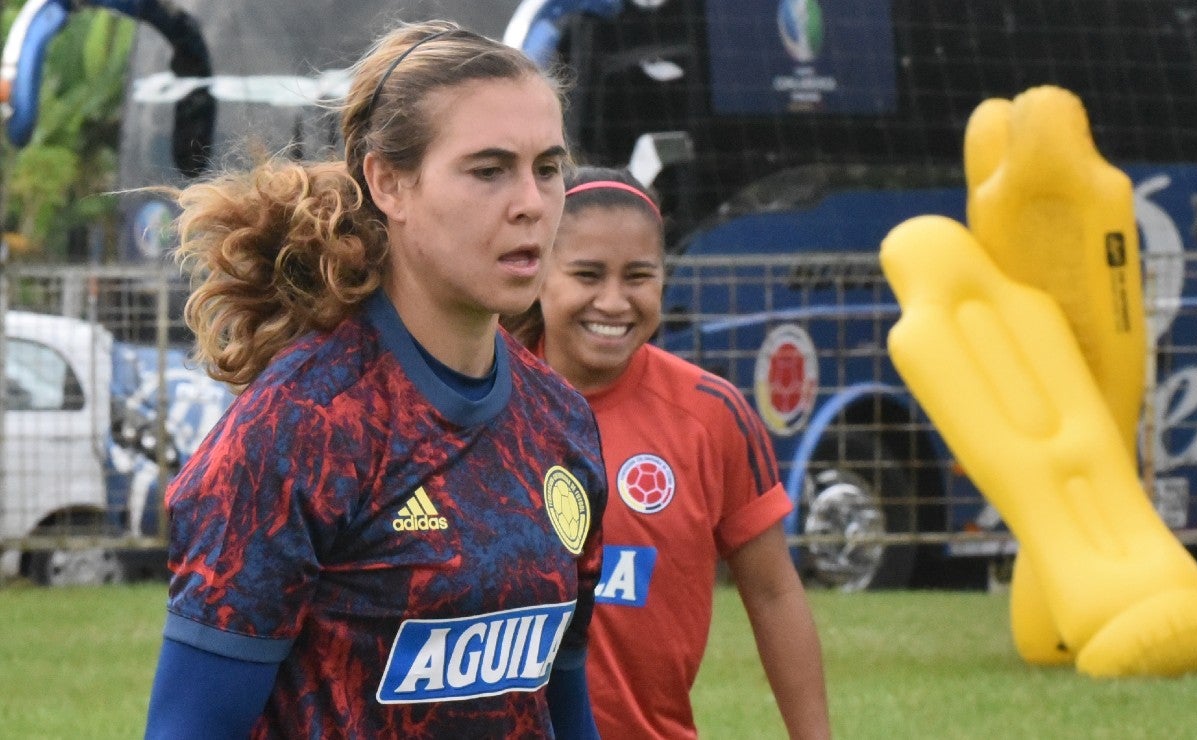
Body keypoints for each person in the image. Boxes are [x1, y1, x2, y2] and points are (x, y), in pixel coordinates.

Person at [143, 20, 607, 739]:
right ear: (388, 181)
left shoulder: (563, 422)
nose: (532, 203)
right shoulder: (300, 428)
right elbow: (188, 728)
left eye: (548, 168)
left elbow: (564, 707)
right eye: (489, 170)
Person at [503, 167, 831, 739]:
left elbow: (775, 593)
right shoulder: (486, 400)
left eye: (638, 276)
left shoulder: (711, 414)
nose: (613, 301)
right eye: (586, 274)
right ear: (541, 276)